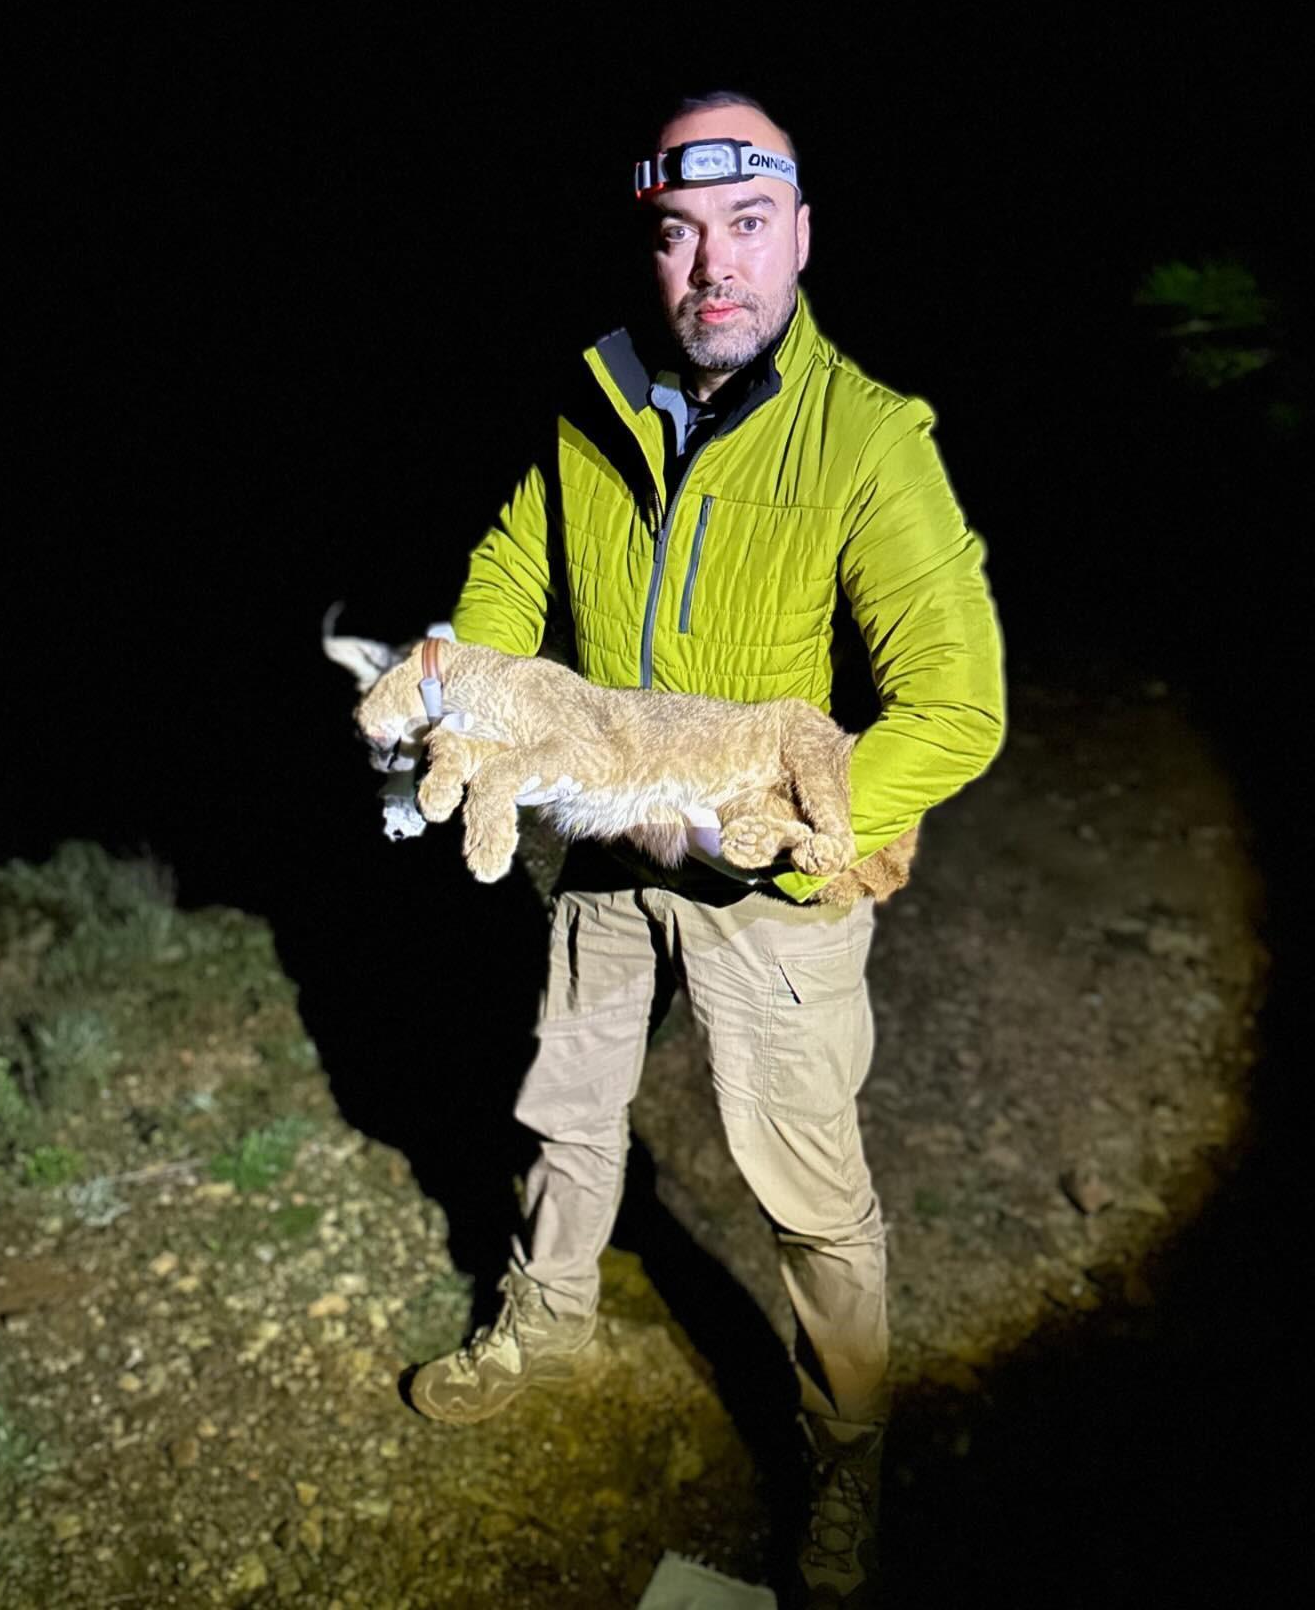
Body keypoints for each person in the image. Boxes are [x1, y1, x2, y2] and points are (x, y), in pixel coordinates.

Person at [405, 91, 1005, 1607]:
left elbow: (962, 701)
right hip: (608, 849)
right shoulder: (594, 401)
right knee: (566, 1100)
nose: (712, 268)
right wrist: (467, 698)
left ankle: (849, 1451)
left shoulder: (868, 438)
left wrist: (803, 832)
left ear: (801, 237)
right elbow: (505, 566)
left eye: (748, 228)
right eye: (680, 235)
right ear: (651, 247)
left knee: (810, 1189)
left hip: (768, 887)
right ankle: (543, 1315)